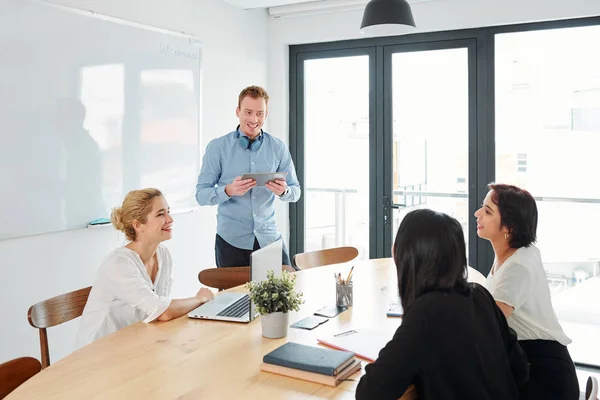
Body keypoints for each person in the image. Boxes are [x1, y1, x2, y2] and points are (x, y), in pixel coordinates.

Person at [356, 209, 528, 400]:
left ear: (404, 255)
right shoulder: (480, 295)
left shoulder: (425, 313)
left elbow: (370, 392)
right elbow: (520, 369)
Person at [475, 183, 579, 400]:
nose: (477, 214)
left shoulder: (518, 266)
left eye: (487, 211)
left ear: (508, 228)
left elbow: (487, 327)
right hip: (530, 361)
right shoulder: (513, 252)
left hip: (545, 377)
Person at [74, 188, 214, 350]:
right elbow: (163, 312)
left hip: (134, 345)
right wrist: (199, 299)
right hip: (97, 355)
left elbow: (159, 313)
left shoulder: (162, 255)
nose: (170, 219)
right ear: (138, 225)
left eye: (168, 212)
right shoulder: (118, 264)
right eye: (161, 214)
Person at [195, 85, 300, 268]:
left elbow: (296, 191)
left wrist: (284, 191)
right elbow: (201, 195)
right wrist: (227, 190)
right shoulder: (218, 148)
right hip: (231, 242)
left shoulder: (278, 148)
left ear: (266, 115)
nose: (254, 119)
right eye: (248, 112)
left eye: (260, 113)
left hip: (269, 239)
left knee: (283, 295)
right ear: (238, 111)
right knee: (235, 297)